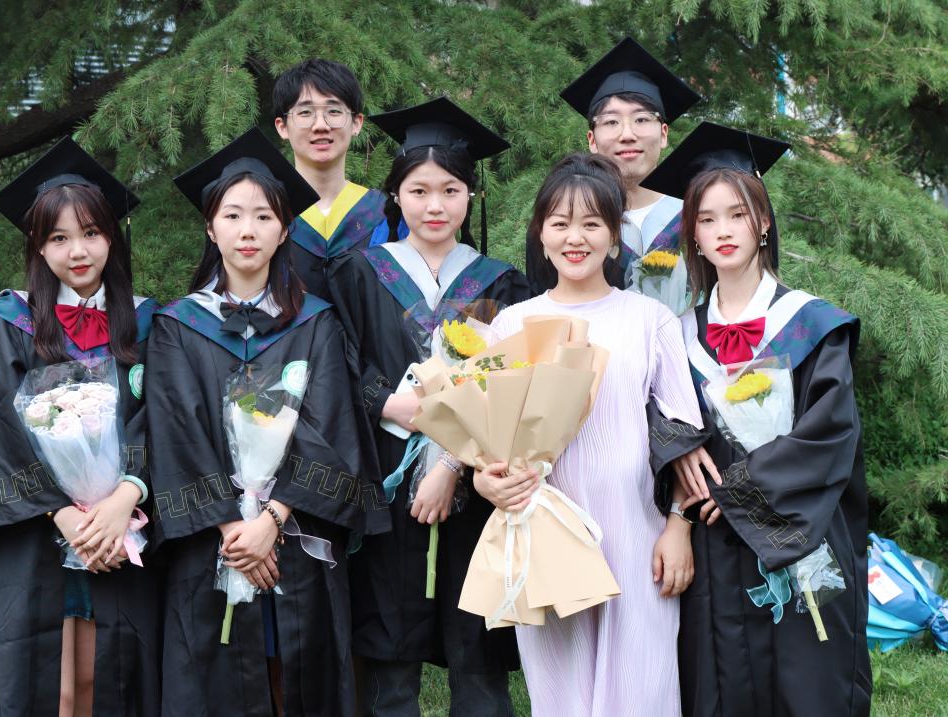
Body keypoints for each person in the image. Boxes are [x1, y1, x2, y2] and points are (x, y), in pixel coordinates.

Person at [148, 127, 384, 716]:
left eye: (263, 216)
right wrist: (234, 529)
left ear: (284, 230)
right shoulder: (177, 326)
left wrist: (272, 521)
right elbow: (177, 432)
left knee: (297, 680)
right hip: (215, 545)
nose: (247, 230)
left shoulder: (317, 323)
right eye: (232, 215)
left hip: (294, 540)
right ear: (211, 228)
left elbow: (331, 427)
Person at [640, 121, 872, 715]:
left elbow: (831, 433)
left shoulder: (813, 324)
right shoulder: (678, 334)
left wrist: (745, 489)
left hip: (798, 533)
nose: (723, 231)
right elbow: (657, 417)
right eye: (707, 218)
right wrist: (677, 448)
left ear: (763, 222)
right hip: (712, 543)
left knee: (807, 679)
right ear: (692, 233)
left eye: (737, 215)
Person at [476, 152, 703, 716]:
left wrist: (679, 526)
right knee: (561, 695)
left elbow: (684, 437)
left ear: (614, 236)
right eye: (560, 223)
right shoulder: (512, 325)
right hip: (542, 532)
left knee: (643, 689)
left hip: (635, 536)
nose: (575, 238)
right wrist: (487, 483)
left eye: (591, 224)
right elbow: (486, 437)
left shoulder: (650, 320)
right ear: (541, 234)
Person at [329, 95, 529, 717]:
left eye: (450, 190)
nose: (434, 205)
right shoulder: (360, 272)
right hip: (387, 484)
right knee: (391, 663)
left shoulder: (499, 281)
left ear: (471, 196)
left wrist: (448, 457)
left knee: (478, 661)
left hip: (475, 484)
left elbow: (512, 378)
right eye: (418, 191)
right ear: (396, 196)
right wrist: (388, 403)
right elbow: (339, 360)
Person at [0, 137, 160, 716]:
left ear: (112, 237)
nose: (78, 251)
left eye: (91, 233)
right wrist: (65, 516)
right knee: (53, 688)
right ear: (38, 246)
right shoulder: (5, 325)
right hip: (34, 537)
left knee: (102, 678)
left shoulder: (151, 324)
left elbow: (165, 419)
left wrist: (123, 501)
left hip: (124, 531)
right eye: (58, 237)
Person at [527, 36, 701, 317]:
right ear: (592, 140)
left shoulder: (697, 217)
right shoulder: (561, 227)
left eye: (641, 119)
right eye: (611, 122)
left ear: (663, 133)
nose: (627, 134)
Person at [273, 58, 391, 298]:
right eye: (305, 112)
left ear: (357, 123)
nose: (320, 125)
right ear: (282, 127)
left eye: (334, 111)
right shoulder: (265, 213)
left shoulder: (386, 214)